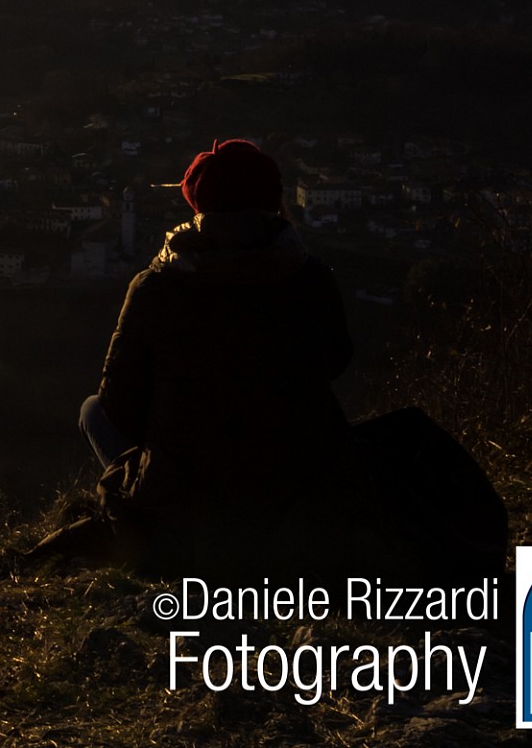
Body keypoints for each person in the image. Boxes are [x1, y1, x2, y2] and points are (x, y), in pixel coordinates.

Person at [77, 138, 356, 572]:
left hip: (187, 494)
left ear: (198, 205)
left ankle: (164, 518)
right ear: (274, 201)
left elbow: (117, 402)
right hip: (294, 481)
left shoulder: (156, 286)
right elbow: (336, 361)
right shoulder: (310, 277)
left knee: (92, 410)